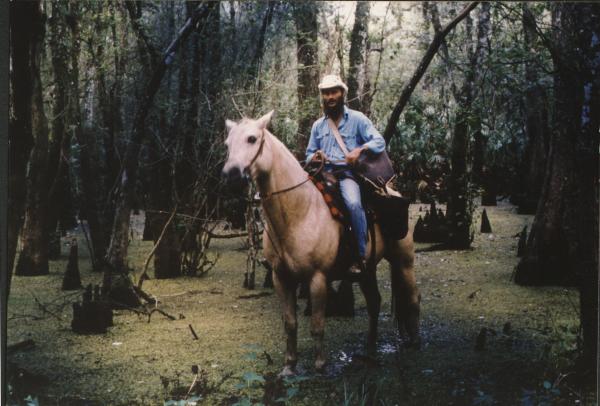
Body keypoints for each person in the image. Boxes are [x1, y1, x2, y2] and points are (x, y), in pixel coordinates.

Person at [306, 74, 386, 273]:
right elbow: (308, 155)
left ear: (342, 93)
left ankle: (360, 256)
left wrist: (360, 150)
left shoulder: (357, 119)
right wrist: (315, 156)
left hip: (347, 175)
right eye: (326, 93)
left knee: (352, 203)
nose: (330, 97)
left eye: (334, 92)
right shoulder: (318, 126)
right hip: (322, 175)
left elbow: (379, 141)